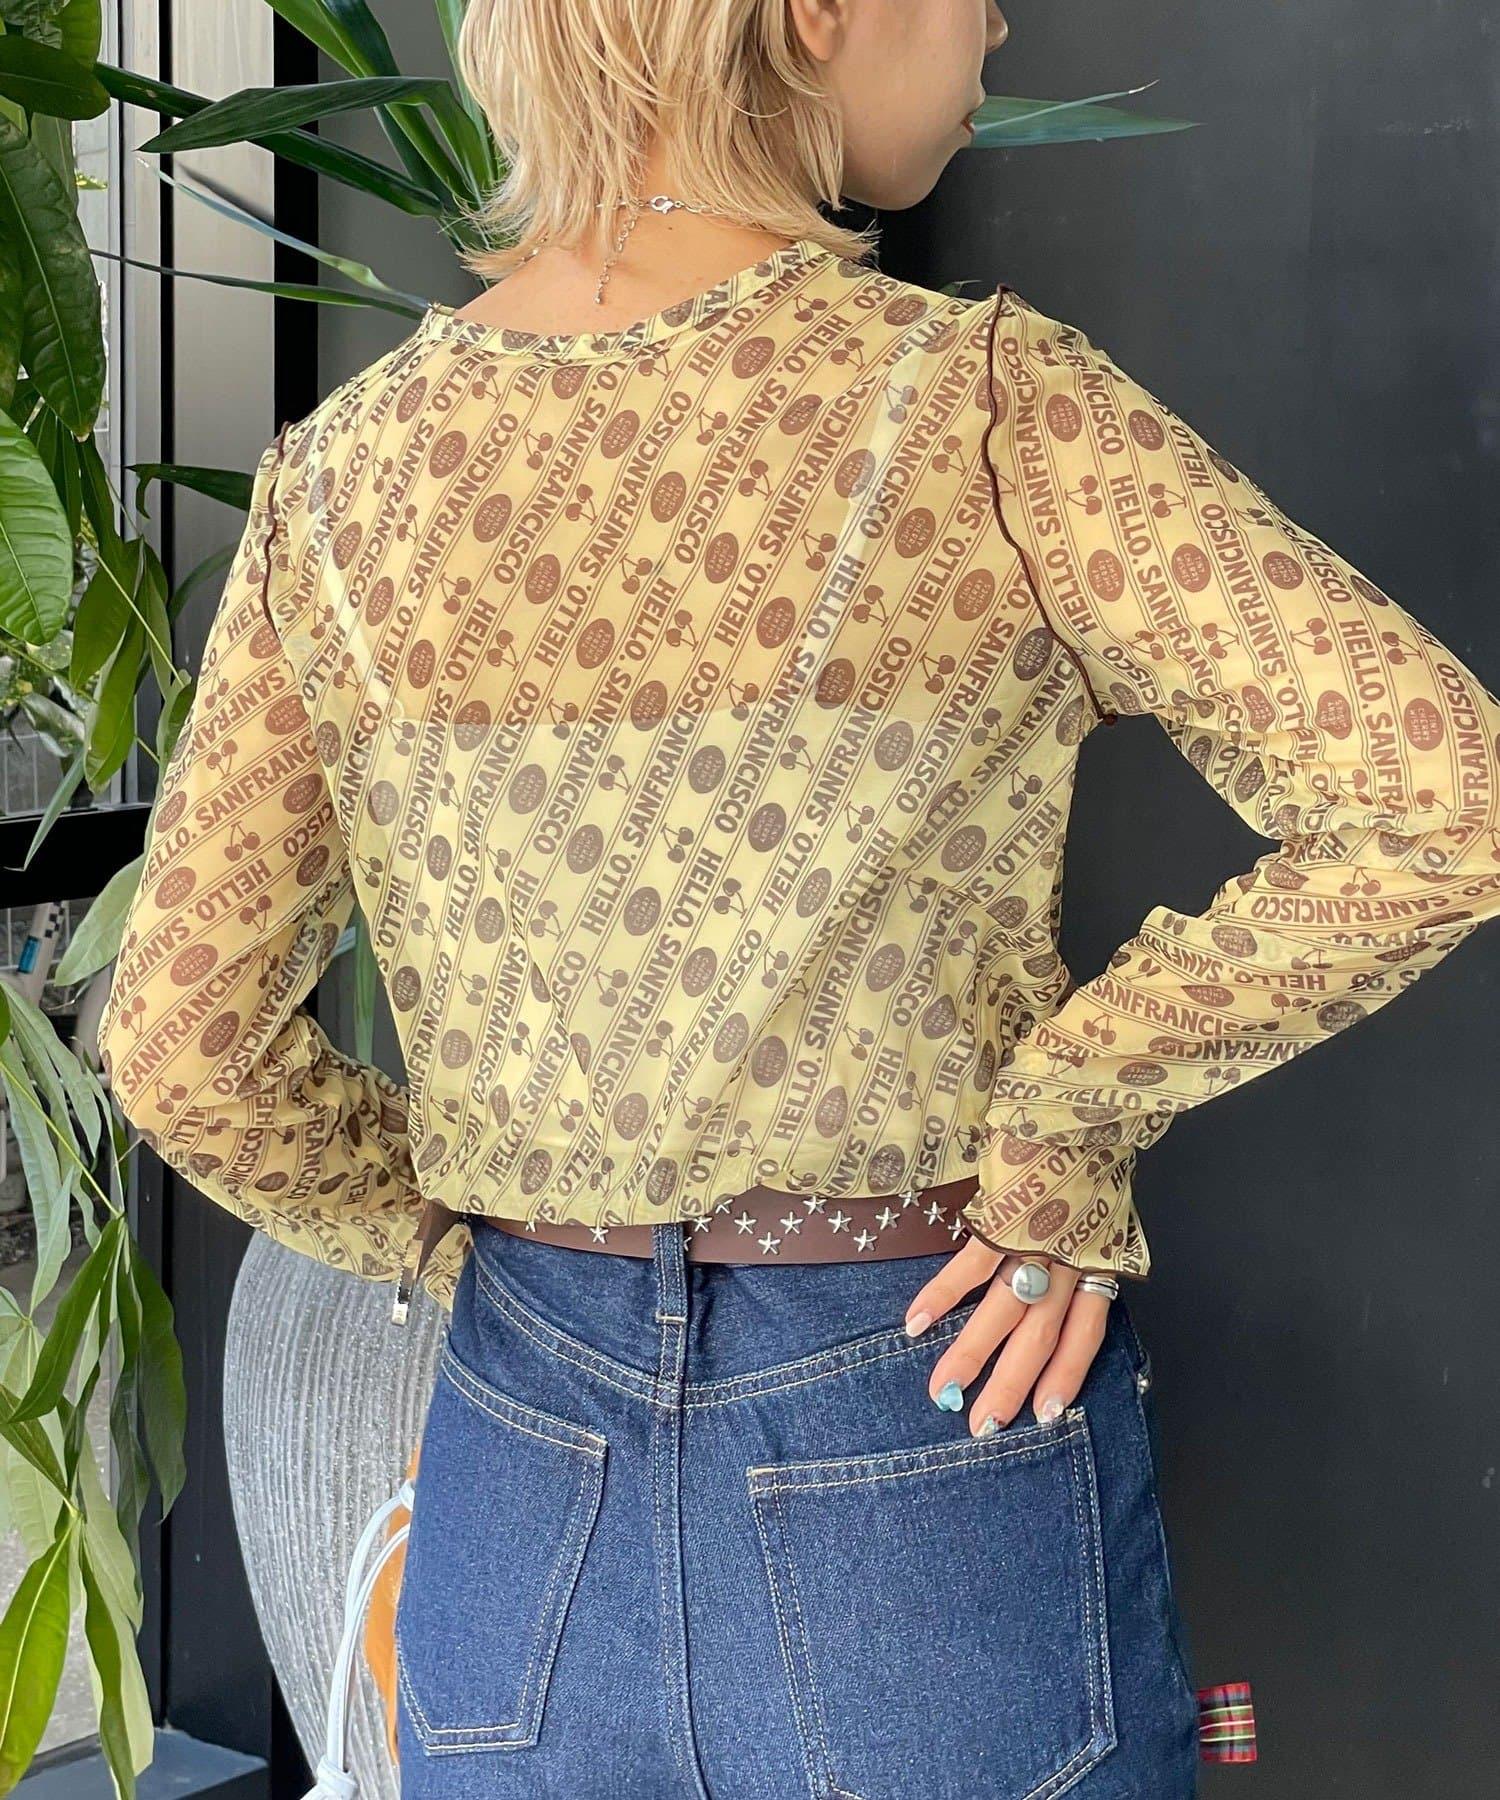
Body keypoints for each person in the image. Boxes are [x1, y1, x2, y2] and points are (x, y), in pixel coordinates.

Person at [96, 2, 1500, 1794]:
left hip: (523, 1468)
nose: (998, 19)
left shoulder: (340, 483)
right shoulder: (981, 406)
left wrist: (467, 1244)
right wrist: (1068, 1121)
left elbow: (183, 1047)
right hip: (923, 1419)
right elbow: (1444, 801)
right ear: (816, 10)